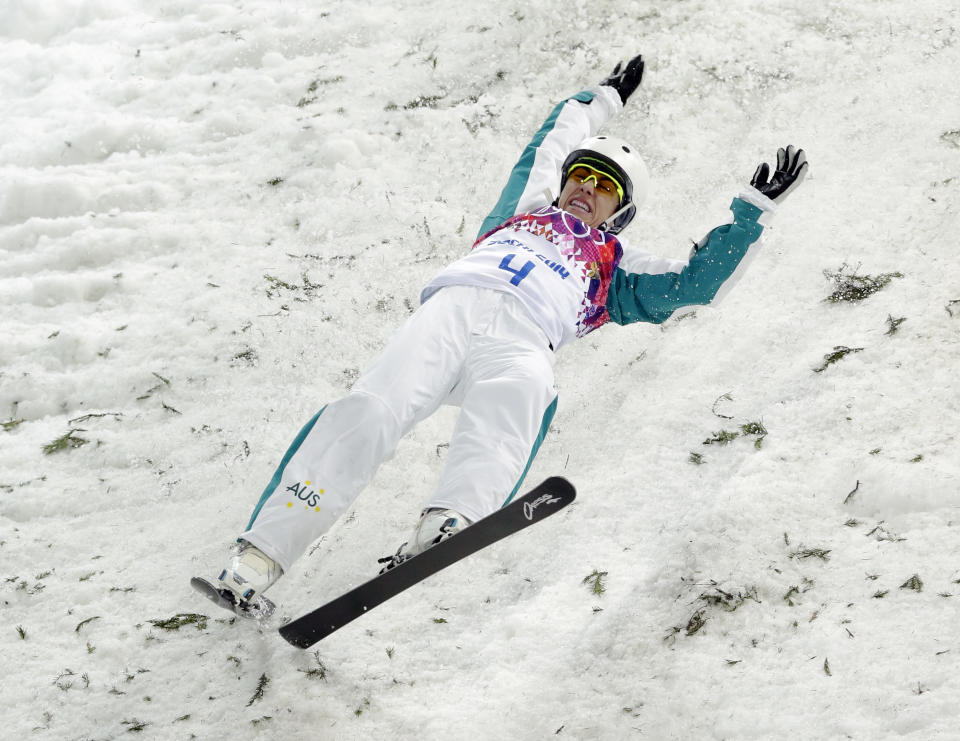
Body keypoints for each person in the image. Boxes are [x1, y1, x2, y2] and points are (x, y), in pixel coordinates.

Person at [199, 53, 808, 616]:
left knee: (520, 394)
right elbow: (549, 143)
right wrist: (602, 100)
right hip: (451, 313)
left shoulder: (619, 271)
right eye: (583, 175)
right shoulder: (523, 210)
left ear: (620, 212)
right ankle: (256, 560)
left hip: (523, 339)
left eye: (604, 187)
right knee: (368, 410)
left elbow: (695, 285)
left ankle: (449, 521)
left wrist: (752, 210)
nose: (586, 188)